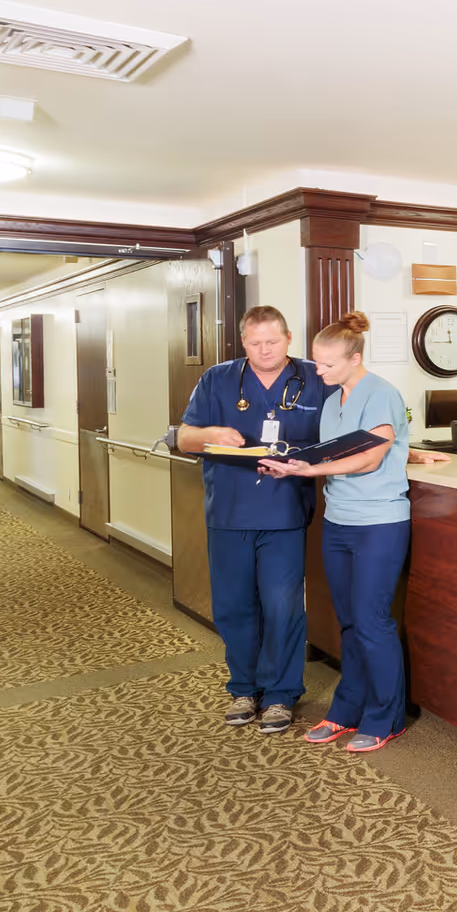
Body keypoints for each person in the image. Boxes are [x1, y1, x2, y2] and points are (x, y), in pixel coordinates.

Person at [259, 313, 415, 753]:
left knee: (372, 621)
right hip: (339, 521)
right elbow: (333, 450)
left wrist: (311, 469)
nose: (318, 373)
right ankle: (348, 709)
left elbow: (369, 458)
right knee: (348, 622)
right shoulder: (332, 402)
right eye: (316, 364)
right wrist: (291, 463)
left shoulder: (381, 393)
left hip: (379, 523)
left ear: (355, 358)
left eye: (327, 365)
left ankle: (387, 717)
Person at [177, 306, 328, 735]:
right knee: (234, 606)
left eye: (273, 342)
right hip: (228, 511)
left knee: (282, 607)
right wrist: (210, 435)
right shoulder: (218, 379)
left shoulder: (315, 378)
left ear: (289, 338)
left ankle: (280, 694)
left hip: (284, 511)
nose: (265, 350)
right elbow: (184, 437)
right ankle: (244, 687)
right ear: (243, 342)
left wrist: (404, 450)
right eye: (255, 342)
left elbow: (351, 432)